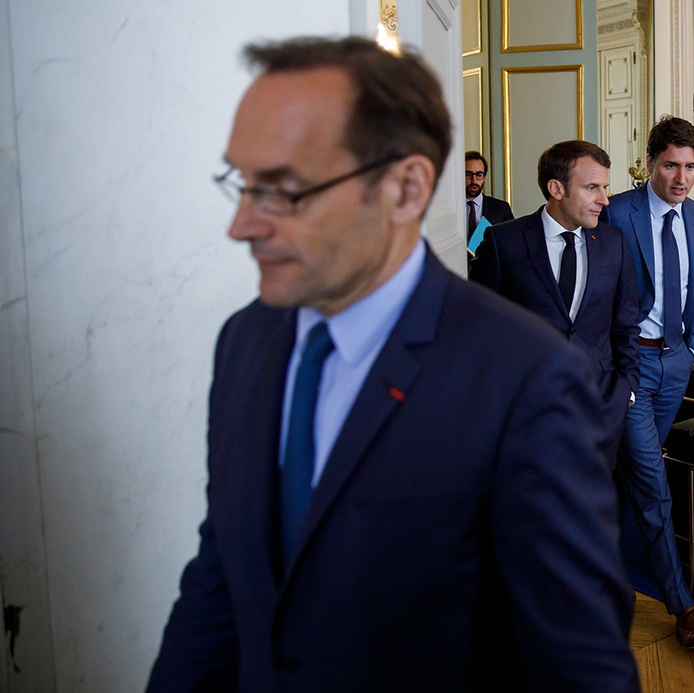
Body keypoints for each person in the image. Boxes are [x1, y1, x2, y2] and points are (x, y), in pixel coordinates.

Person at [147, 36, 638, 691]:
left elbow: (582, 667)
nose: (242, 225)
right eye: (243, 183)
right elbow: (219, 576)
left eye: (283, 189)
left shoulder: (527, 378)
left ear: (405, 189)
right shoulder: (244, 340)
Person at [600, 115, 694, 649]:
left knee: (633, 478)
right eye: (671, 165)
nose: (681, 178)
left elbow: (689, 287)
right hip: (630, 367)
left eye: (690, 167)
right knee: (652, 484)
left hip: (675, 363)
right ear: (650, 162)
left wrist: (689, 346)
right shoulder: (618, 211)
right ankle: (683, 608)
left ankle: (603, 578)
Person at [470, 140, 639, 457]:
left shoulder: (613, 241)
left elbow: (625, 322)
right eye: (592, 188)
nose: (604, 199)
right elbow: (478, 329)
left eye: (604, 187)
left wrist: (626, 389)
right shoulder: (502, 242)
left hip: (599, 407)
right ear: (556, 189)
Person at [465, 150, 514, 240]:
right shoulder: (451, 210)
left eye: (479, 175)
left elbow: (512, 241)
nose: (474, 181)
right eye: (469, 174)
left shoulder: (501, 209)